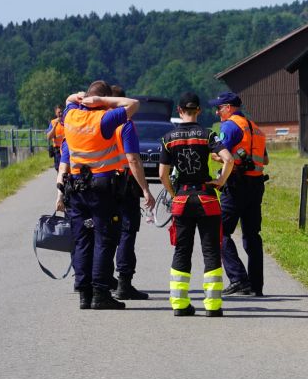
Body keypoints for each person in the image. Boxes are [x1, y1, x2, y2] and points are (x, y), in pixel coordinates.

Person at [54, 80, 154, 310]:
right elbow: (133, 104)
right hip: (102, 188)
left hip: (76, 186)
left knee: (82, 240)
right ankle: (100, 292)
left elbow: (69, 100)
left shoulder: (71, 116)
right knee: (104, 239)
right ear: (100, 101)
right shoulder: (105, 119)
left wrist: (81, 96)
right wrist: (103, 101)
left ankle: (84, 293)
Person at [160, 92, 234, 317]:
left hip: (182, 199)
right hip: (207, 198)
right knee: (210, 250)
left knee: (182, 250)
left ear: (179, 111)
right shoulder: (208, 135)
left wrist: (174, 193)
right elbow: (229, 159)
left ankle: (180, 305)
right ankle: (212, 306)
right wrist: (221, 181)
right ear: (199, 111)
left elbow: (162, 174)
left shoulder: (168, 138)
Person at [209, 92, 269, 297]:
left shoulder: (229, 126)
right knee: (252, 235)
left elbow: (224, 155)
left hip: (236, 185)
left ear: (228, 107)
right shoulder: (256, 128)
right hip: (256, 184)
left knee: (219, 231)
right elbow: (265, 160)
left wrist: (215, 156)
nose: (217, 112)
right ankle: (255, 285)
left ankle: (238, 279)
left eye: (219, 108)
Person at [109, 85, 154, 300]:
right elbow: (133, 159)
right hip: (124, 182)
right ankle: (124, 282)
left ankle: (102, 279)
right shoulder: (124, 124)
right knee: (127, 231)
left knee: (105, 232)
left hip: (101, 183)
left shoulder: (97, 122)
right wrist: (145, 189)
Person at [45, 105, 64, 171]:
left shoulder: (67, 121)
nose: (61, 114)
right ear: (56, 113)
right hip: (58, 150)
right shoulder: (53, 123)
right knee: (59, 170)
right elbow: (48, 137)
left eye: (62, 112)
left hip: (66, 149)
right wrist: (54, 127)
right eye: (59, 112)